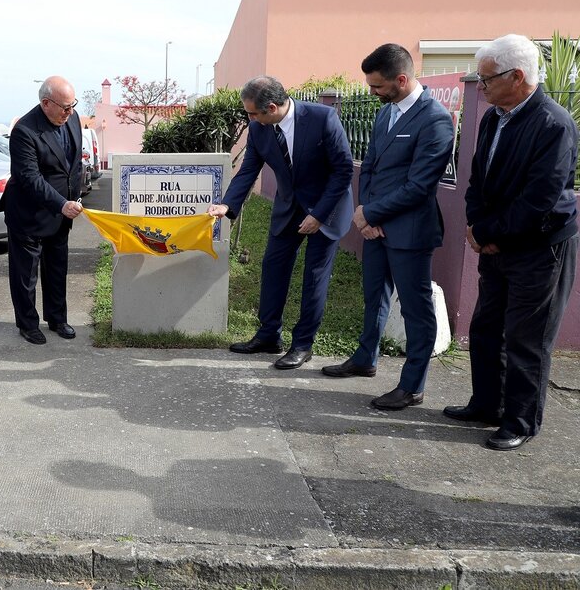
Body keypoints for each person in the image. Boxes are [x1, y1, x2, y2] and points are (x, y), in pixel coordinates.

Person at [444, 34, 579, 451]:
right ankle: (487, 404)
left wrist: (489, 234)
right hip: (496, 243)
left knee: (527, 337)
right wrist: (477, 226)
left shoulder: (553, 123)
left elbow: (540, 199)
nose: (481, 87)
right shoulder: (493, 117)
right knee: (486, 327)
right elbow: (478, 179)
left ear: (517, 76)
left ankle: (520, 421)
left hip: (539, 248)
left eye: (486, 79)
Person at [321, 44, 454, 410]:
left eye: (378, 86)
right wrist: (365, 213)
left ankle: (412, 386)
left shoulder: (436, 119)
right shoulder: (385, 112)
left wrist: (371, 214)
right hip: (376, 227)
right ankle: (365, 358)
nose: (372, 92)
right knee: (374, 296)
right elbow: (370, 167)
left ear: (401, 79)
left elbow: (420, 185)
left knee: (415, 309)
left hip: (409, 232)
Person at [208, 76, 353, 368]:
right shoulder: (258, 128)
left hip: (326, 209)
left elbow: (343, 170)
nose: (250, 119)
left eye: (253, 113)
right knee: (273, 267)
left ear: (272, 108)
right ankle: (268, 335)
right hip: (288, 209)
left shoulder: (323, 118)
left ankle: (302, 344)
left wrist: (318, 215)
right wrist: (227, 204)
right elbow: (248, 170)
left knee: (314, 277)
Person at [0, 76, 84, 344]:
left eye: (73, 105)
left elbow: (74, 164)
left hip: (61, 215)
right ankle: (27, 324)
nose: (70, 112)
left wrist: (75, 195)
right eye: (65, 107)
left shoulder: (73, 119)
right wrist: (62, 203)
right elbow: (30, 178)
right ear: (46, 103)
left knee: (57, 269)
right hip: (29, 215)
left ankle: (58, 319)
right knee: (25, 275)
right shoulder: (25, 131)